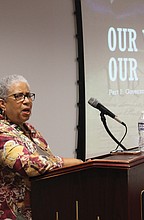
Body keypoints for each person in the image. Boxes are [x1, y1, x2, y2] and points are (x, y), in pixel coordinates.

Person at [0, 75, 82, 220]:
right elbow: (26, 165)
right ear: (2, 104)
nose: (26, 101)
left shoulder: (29, 130)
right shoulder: (1, 131)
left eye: (28, 96)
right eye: (18, 96)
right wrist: (65, 162)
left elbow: (47, 160)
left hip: (40, 208)